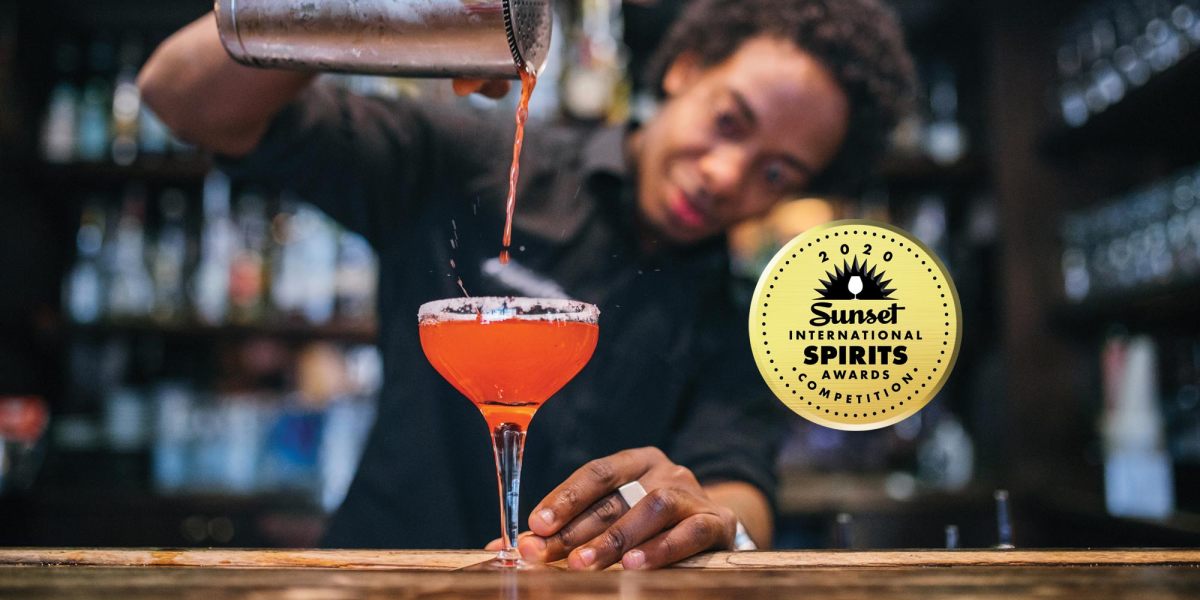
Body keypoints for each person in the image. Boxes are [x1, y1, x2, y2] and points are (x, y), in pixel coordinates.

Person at [139, 0, 915, 570]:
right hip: (381, 580)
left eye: (776, 172)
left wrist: (705, 515)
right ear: (685, 70)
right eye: (730, 122)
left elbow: (739, 490)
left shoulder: (740, 320)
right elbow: (181, 97)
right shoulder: (471, 161)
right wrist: (371, 9)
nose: (724, 175)